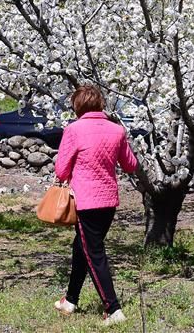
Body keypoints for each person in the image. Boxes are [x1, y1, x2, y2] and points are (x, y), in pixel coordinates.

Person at [53, 84, 138, 327]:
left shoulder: (74, 130)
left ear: (77, 106)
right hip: (109, 201)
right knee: (82, 247)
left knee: (94, 253)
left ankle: (113, 309)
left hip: (86, 201)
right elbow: (131, 164)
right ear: (100, 103)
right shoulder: (117, 130)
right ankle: (70, 300)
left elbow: (61, 170)